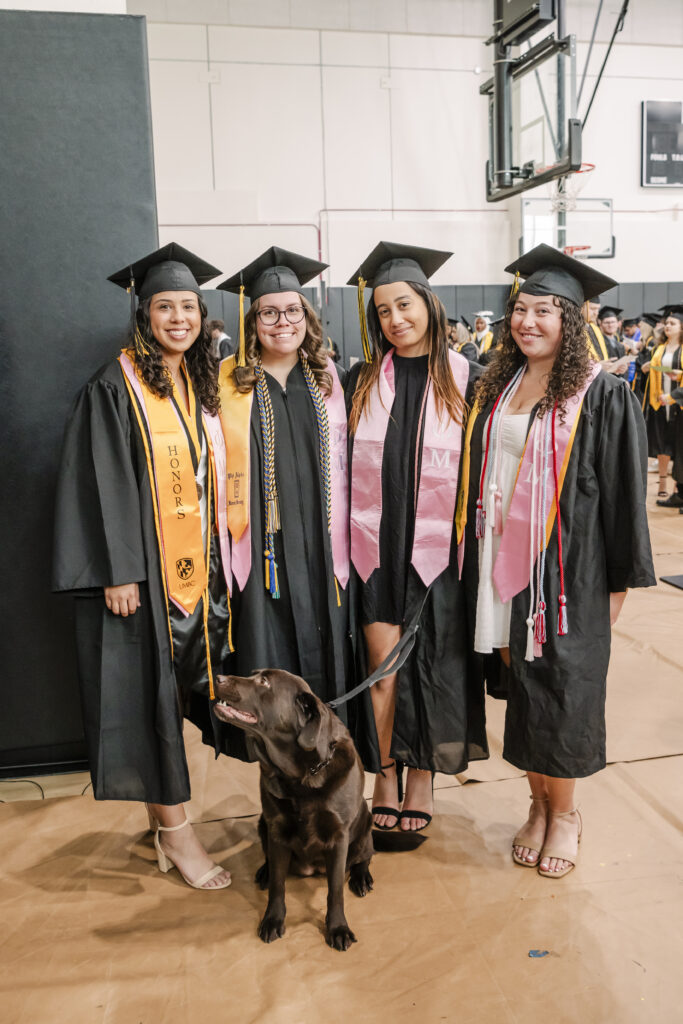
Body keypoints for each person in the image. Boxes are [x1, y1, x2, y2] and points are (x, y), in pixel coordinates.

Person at [460, 243, 655, 878]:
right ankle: (537, 804)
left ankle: (565, 813)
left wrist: (619, 582)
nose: (529, 322)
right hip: (502, 561)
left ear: (571, 321)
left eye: (546, 310)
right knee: (525, 686)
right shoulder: (500, 383)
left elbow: (626, 495)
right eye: (521, 309)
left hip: (570, 568)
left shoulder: (598, 394)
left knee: (564, 686)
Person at [52, 243, 233, 890]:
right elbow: (96, 484)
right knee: (150, 705)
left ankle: (170, 819)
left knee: (182, 698)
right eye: (165, 307)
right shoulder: (115, 385)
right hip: (145, 579)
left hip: (198, 576)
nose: (178, 317)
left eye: (188, 306)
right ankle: (176, 834)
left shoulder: (196, 379)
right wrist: (118, 571)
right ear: (143, 314)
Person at [346, 241, 488, 833]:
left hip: (441, 553)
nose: (395, 319)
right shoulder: (357, 381)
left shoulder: (471, 381)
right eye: (383, 311)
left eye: (404, 304)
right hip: (375, 547)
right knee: (383, 666)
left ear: (429, 303)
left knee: (434, 664)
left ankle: (423, 774)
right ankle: (384, 773)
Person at [215, 247, 373, 762]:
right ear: (252, 319)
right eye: (268, 312)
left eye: (293, 311)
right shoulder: (226, 384)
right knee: (269, 663)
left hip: (322, 551)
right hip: (262, 555)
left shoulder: (330, 381)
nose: (282, 323)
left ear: (308, 317)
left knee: (326, 654)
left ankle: (329, 766)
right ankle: (277, 772)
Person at [641, 305, 683, 503]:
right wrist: (648, 367)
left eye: (673, 323)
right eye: (667, 323)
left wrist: (673, 395)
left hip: (678, 403)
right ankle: (663, 483)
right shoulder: (659, 349)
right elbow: (656, 369)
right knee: (662, 442)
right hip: (659, 401)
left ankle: (678, 488)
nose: (668, 326)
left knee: (678, 444)